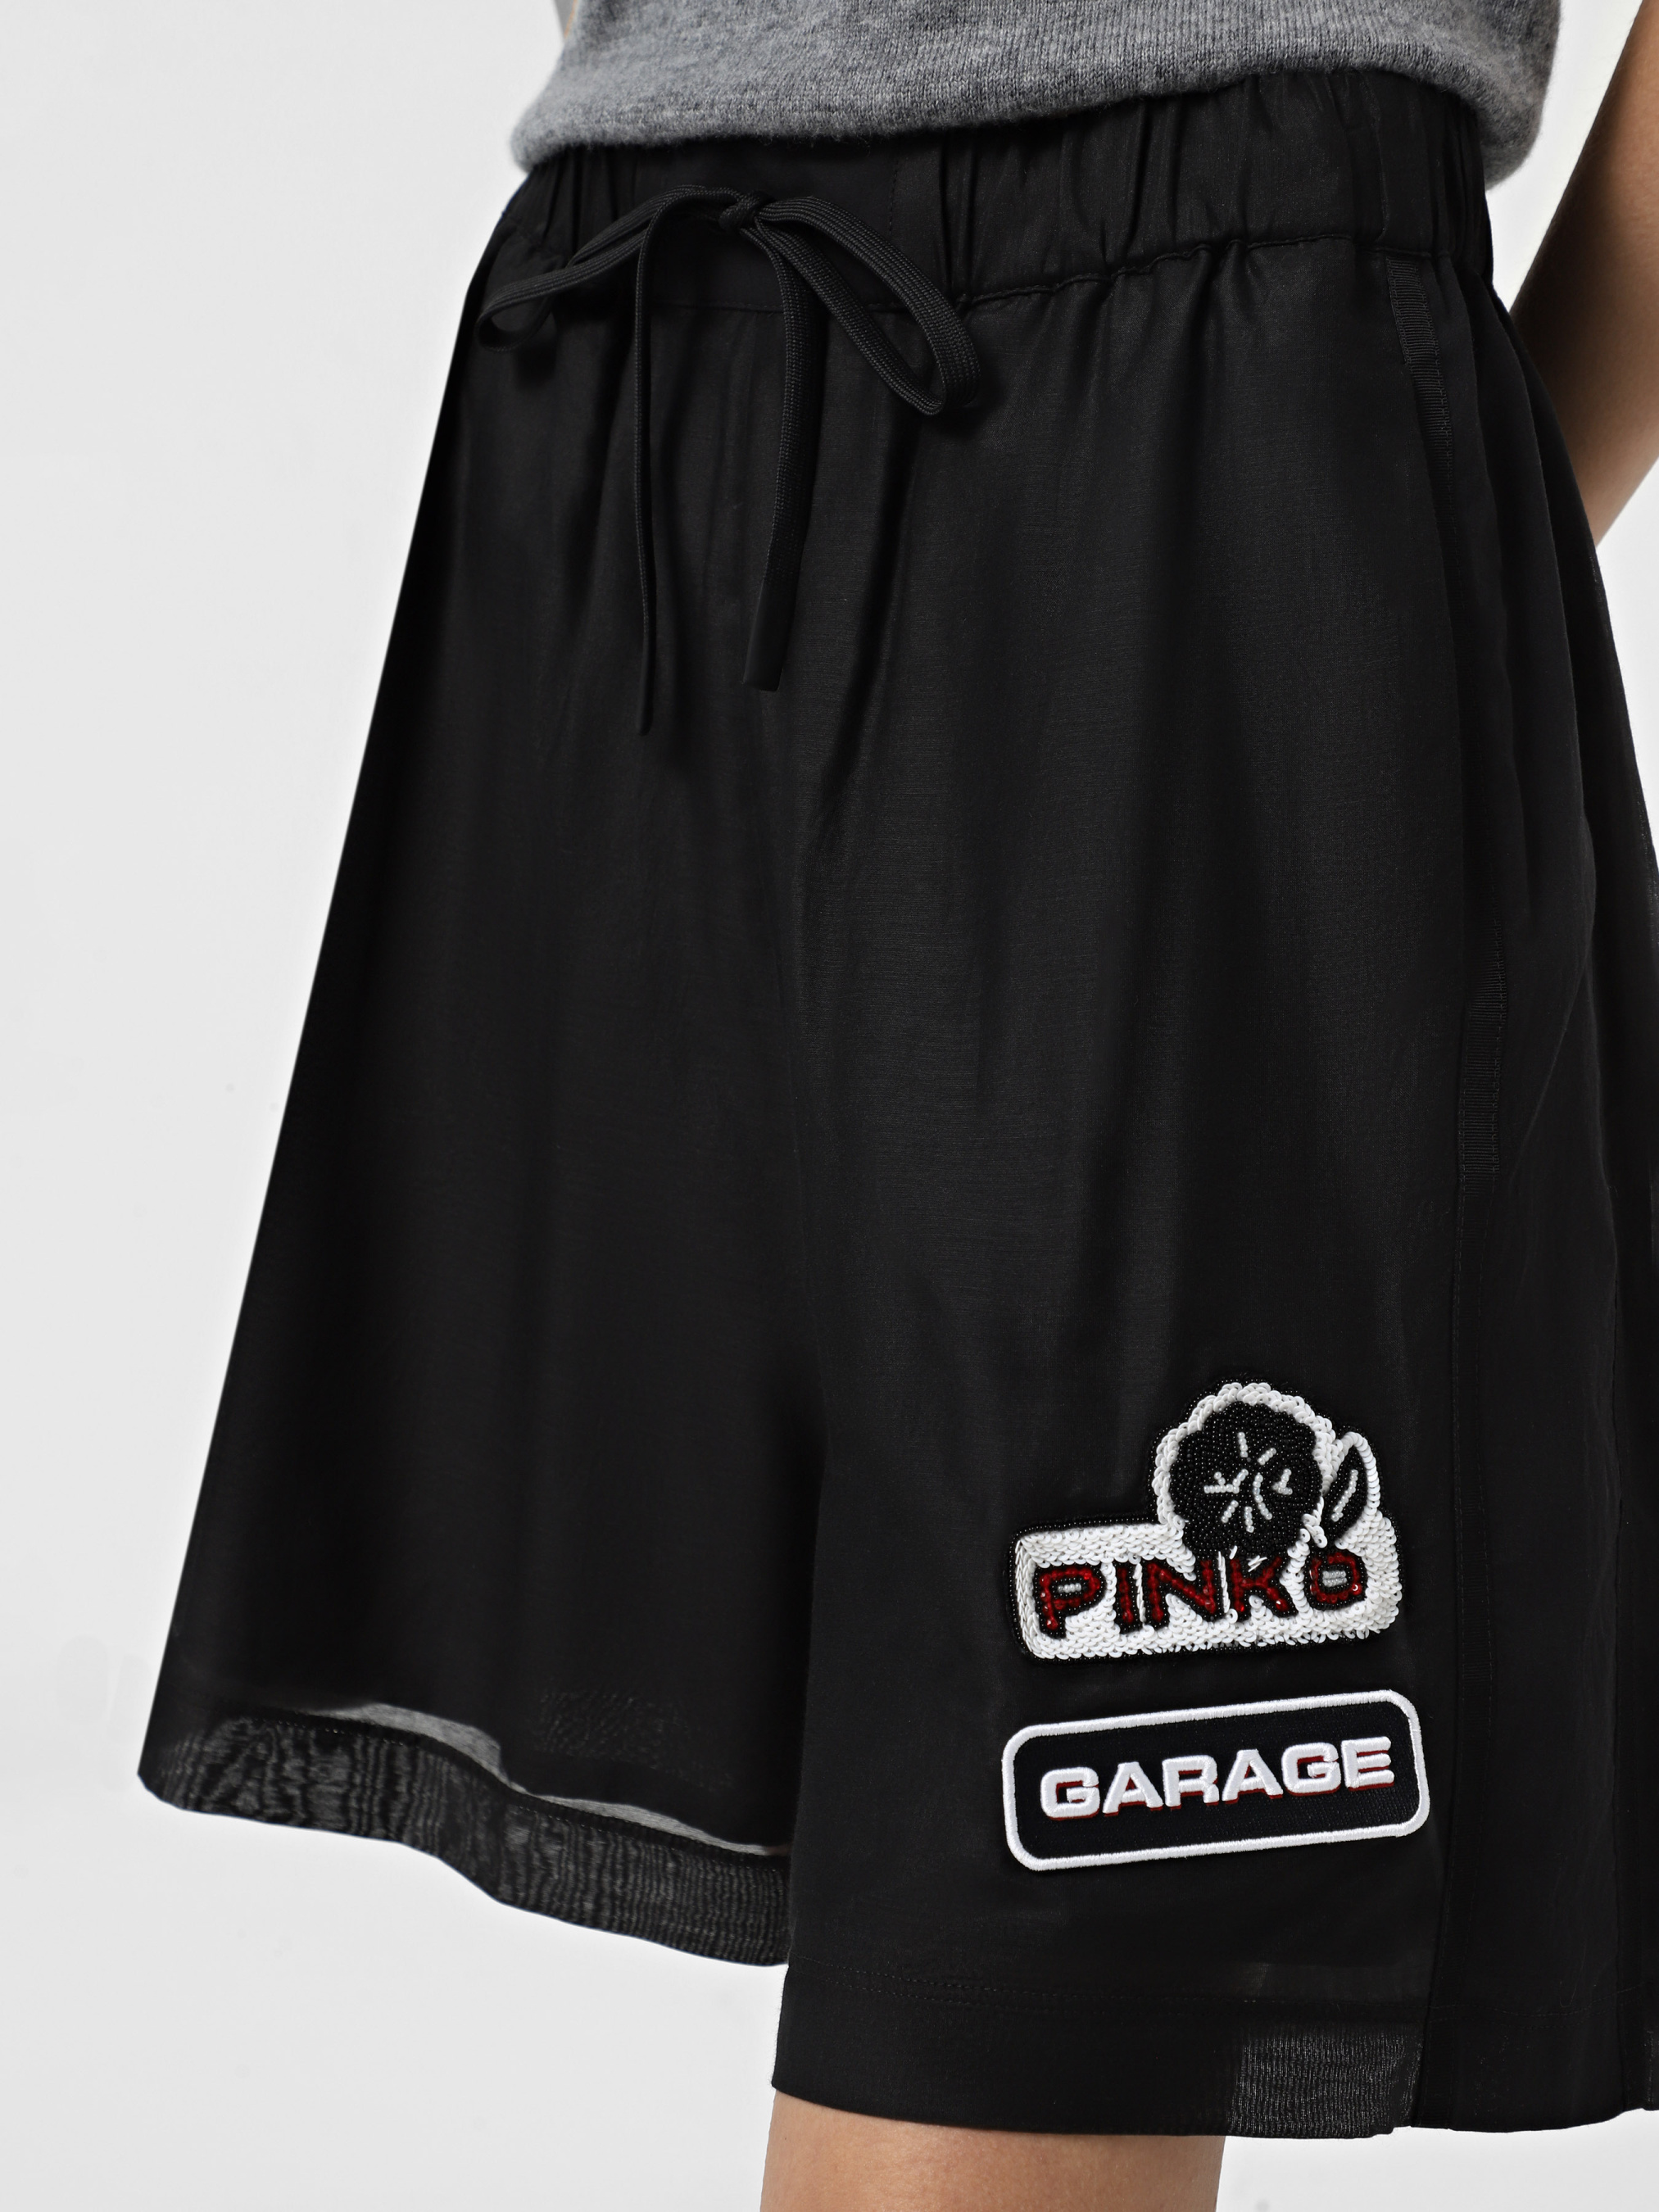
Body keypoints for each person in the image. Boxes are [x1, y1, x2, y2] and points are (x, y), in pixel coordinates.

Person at [140, 5, 1659, 2207]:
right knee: (945, 1944)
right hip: (624, 390)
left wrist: (1467, 496)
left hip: (1201, 402)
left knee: (1024, 1967)